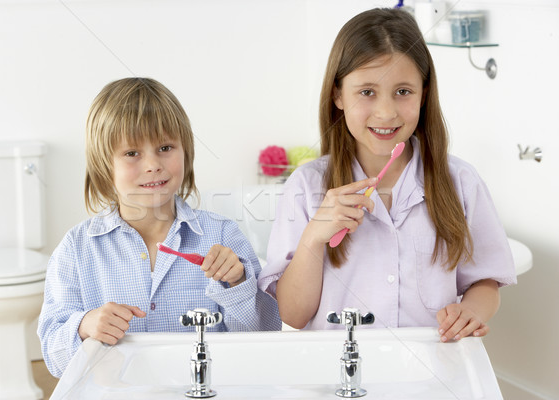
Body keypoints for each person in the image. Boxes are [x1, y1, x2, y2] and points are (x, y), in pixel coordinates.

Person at [258, 8, 516, 341]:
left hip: (431, 372)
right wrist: (313, 237)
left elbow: (485, 282)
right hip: (338, 376)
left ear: (424, 94)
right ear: (338, 95)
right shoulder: (306, 185)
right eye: (367, 92)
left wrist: (471, 313)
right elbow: (293, 314)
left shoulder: (462, 182)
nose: (386, 112)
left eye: (403, 91)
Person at [38, 77, 281, 377]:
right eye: (132, 153)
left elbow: (261, 341)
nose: (152, 164)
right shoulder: (77, 249)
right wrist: (85, 326)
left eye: (165, 147)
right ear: (104, 163)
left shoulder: (223, 236)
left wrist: (238, 284)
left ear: (186, 152)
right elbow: (53, 356)